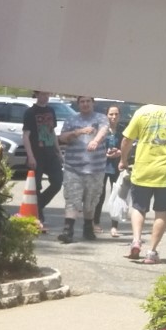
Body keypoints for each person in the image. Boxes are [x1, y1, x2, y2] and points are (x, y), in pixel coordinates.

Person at [119, 104, 166, 264]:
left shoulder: (143, 111)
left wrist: (123, 160)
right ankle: (151, 252)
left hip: (143, 169)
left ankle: (136, 240)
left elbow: (126, 139)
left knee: (138, 207)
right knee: (161, 212)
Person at [55, 95, 109, 242]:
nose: (85, 104)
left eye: (88, 101)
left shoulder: (101, 118)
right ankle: (68, 231)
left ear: (93, 103)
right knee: (72, 198)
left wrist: (95, 141)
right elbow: (61, 138)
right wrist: (78, 132)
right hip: (73, 168)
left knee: (91, 200)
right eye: (82, 102)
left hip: (95, 168)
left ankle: (88, 228)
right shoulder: (71, 120)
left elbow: (104, 130)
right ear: (78, 104)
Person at [20, 91, 63, 232]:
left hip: (51, 153)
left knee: (57, 182)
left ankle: (38, 206)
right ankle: (39, 217)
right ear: (37, 95)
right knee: (36, 186)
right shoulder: (30, 112)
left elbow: (52, 132)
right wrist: (30, 156)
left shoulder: (51, 111)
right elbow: (26, 136)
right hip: (37, 153)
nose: (45, 96)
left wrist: (58, 152)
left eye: (47, 94)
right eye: (43, 94)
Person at [94, 104, 124, 238]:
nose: (114, 117)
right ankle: (95, 223)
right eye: (111, 114)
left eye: (116, 114)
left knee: (116, 195)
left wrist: (120, 152)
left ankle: (114, 226)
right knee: (99, 195)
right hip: (102, 165)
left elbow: (128, 146)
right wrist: (104, 153)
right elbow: (94, 145)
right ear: (106, 115)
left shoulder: (123, 130)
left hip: (116, 166)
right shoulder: (101, 129)